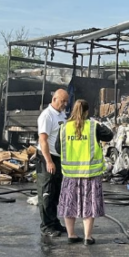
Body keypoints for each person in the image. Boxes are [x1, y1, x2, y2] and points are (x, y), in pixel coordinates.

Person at [55, 99, 113, 245]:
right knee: (89, 205)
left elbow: (57, 148)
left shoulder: (64, 128)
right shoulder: (93, 126)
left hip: (70, 174)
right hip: (90, 174)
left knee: (70, 204)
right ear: (87, 112)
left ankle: (71, 234)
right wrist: (99, 122)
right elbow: (109, 135)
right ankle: (88, 237)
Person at [37, 89, 69, 238]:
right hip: (47, 158)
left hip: (58, 157)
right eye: (62, 101)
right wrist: (49, 161)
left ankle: (54, 221)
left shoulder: (61, 114)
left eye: (66, 101)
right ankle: (46, 225)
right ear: (54, 98)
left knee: (56, 192)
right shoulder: (47, 116)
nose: (65, 104)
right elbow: (43, 140)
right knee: (47, 192)